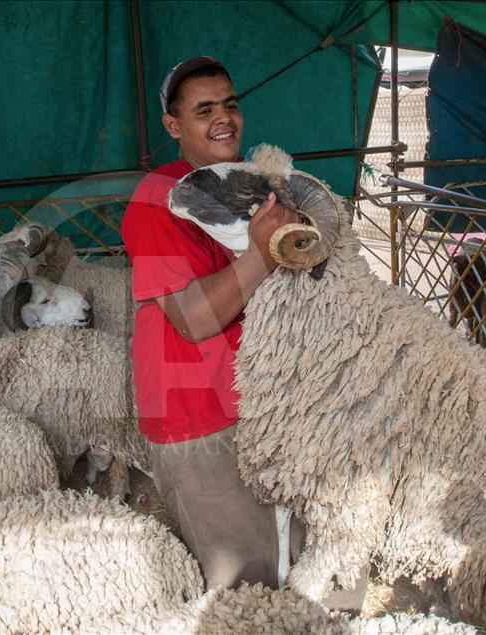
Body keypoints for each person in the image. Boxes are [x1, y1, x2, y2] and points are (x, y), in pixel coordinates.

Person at [121, 56, 367, 608]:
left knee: (319, 569)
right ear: (173, 125)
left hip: (272, 411)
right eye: (203, 109)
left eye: (230, 104)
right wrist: (263, 251)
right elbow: (192, 320)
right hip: (200, 420)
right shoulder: (157, 199)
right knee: (249, 590)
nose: (223, 118)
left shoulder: (258, 187)